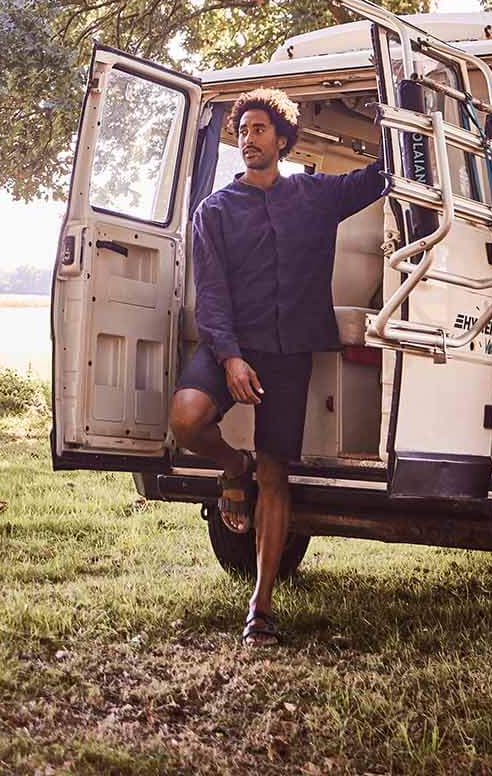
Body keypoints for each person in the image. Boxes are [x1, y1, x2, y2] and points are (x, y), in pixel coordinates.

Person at [171, 87, 387, 646]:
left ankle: (261, 607)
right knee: (187, 419)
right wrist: (231, 357)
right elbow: (212, 294)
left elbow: (375, 178)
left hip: (291, 351)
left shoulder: (315, 195)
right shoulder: (213, 211)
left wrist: (405, 124)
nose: (248, 139)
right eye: (243, 131)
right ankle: (230, 465)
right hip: (231, 344)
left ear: (283, 139)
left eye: (260, 130)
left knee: (276, 473)